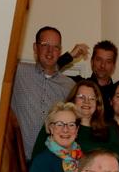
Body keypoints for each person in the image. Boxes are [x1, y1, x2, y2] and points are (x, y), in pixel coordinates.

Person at [11, 26, 75, 159]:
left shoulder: (69, 86)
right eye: (45, 45)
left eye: (55, 47)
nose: (50, 51)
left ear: (60, 51)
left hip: (51, 161)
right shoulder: (18, 73)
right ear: (35, 47)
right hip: (18, 161)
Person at [29, 79, 119, 162]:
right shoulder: (55, 124)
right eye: (81, 97)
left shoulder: (109, 130)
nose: (86, 101)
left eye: (92, 98)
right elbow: (37, 158)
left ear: (97, 103)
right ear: (73, 100)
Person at [87, 40, 119, 107]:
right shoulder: (78, 85)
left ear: (114, 66)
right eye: (99, 60)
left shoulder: (118, 94)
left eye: (108, 62)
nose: (102, 65)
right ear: (92, 62)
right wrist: (70, 56)